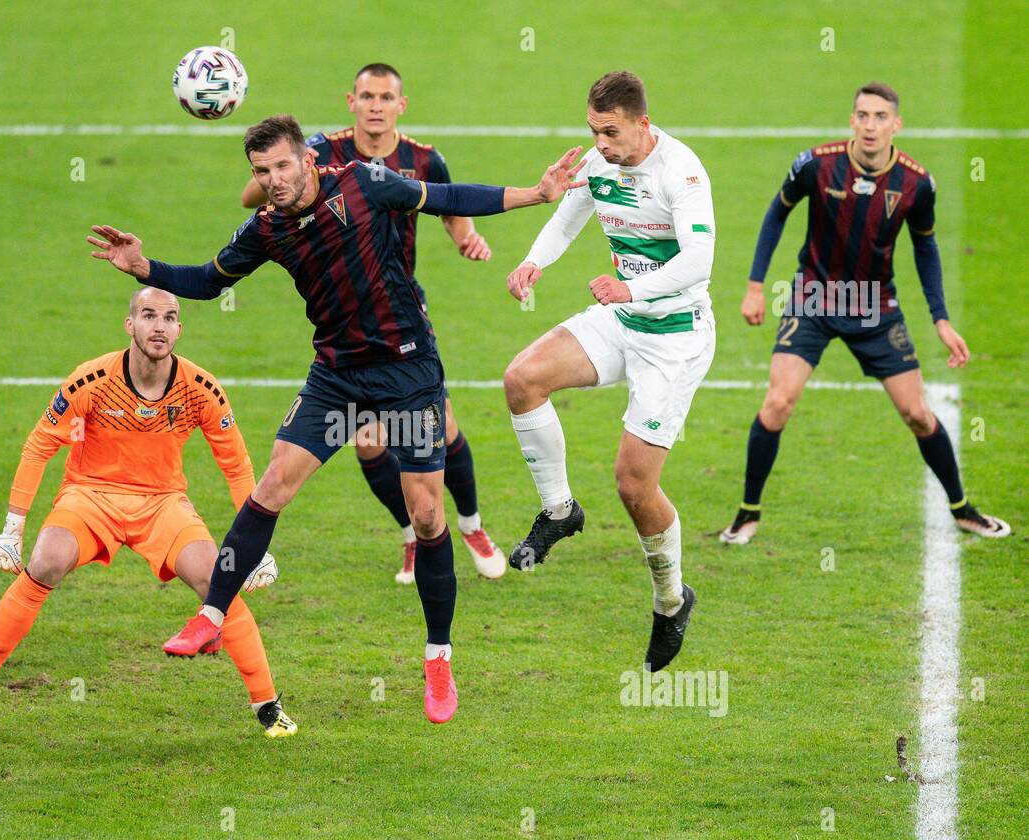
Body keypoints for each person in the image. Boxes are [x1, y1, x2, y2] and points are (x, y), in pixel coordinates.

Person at [89, 113, 587, 722]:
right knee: (273, 484)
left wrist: (535, 194)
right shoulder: (266, 230)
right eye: (260, 171)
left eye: (280, 166)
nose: (272, 180)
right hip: (338, 378)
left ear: (307, 159)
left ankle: (437, 657)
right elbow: (207, 281)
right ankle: (211, 616)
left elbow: (447, 197)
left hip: (407, 375)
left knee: (428, 515)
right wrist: (145, 268)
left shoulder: (366, 183)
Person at [0, 287, 295, 739]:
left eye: (169, 318)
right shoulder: (90, 380)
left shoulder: (201, 389)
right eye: (148, 316)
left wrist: (255, 550)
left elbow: (236, 464)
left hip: (163, 503)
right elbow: (39, 445)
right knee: (45, 561)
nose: (159, 326)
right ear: (129, 324)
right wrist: (13, 527)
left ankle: (267, 705)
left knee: (217, 578)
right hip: (90, 497)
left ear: (179, 329)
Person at [238, 63, 505, 583]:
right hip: (343, 316)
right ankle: (412, 534)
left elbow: (449, 207)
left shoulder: (425, 160)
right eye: (366, 96)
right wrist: (276, 174)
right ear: (351, 102)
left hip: (400, 307)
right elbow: (255, 199)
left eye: (385, 96)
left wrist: (464, 238)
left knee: (443, 427)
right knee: (367, 440)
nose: (375, 105)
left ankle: (471, 526)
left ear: (401, 105)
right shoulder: (324, 151)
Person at [721, 81, 1009, 543]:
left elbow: (926, 248)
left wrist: (941, 319)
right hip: (812, 299)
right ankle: (747, 513)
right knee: (777, 403)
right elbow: (777, 213)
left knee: (917, 412)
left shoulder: (917, 184)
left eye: (879, 117)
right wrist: (755, 286)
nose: (870, 125)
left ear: (896, 124)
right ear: (852, 120)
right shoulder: (817, 165)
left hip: (876, 306)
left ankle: (962, 509)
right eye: (862, 115)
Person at [503, 71, 716, 672]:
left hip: (673, 337)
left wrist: (631, 286)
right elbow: (570, 215)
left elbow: (699, 261)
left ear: (643, 124)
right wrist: (532, 263)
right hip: (623, 318)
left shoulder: (682, 173)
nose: (600, 143)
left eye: (611, 132)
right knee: (523, 378)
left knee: (633, 484)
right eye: (594, 130)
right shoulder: (600, 164)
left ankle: (671, 601)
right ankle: (559, 511)